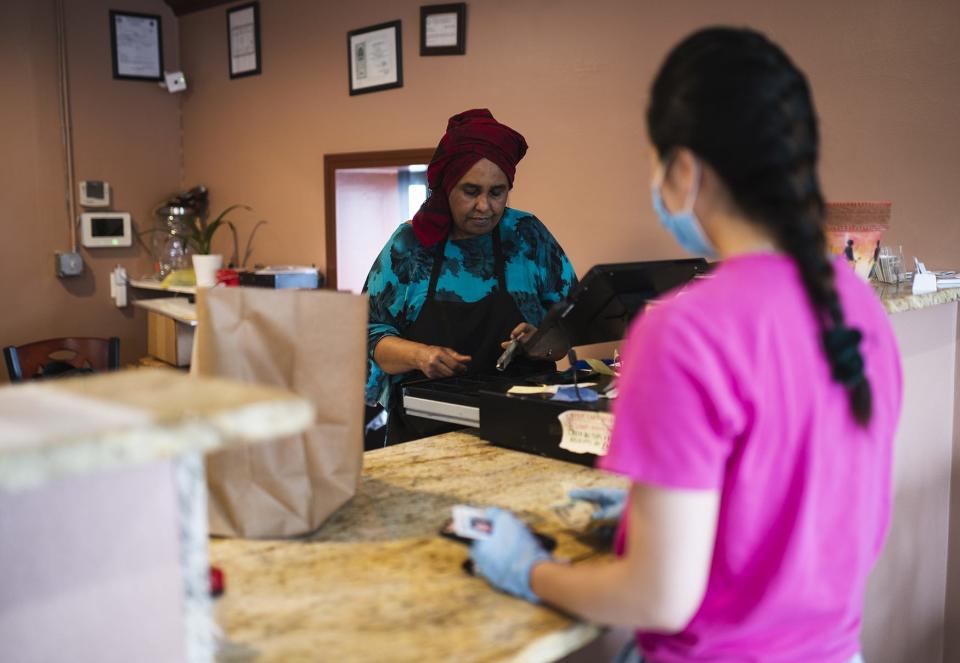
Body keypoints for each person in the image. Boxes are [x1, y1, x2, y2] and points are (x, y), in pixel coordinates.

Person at [469, 27, 902, 663]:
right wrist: (644, 522)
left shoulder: (684, 330)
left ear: (683, 168)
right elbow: (802, 506)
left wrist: (527, 570)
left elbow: (657, 598)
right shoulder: (857, 301)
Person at [363, 109, 576, 445]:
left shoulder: (527, 235)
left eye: (497, 192)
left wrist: (540, 344)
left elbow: (568, 329)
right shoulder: (410, 245)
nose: (484, 206)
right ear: (446, 186)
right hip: (426, 434)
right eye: (470, 190)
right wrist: (420, 355)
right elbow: (368, 335)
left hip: (523, 428)